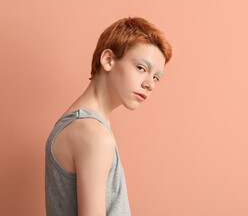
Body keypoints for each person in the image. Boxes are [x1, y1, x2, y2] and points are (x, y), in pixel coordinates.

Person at [45, 16, 173, 216]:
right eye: (141, 68)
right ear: (108, 60)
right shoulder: (93, 134)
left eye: (156, 77)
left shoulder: (75, 123)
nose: (150, 84)